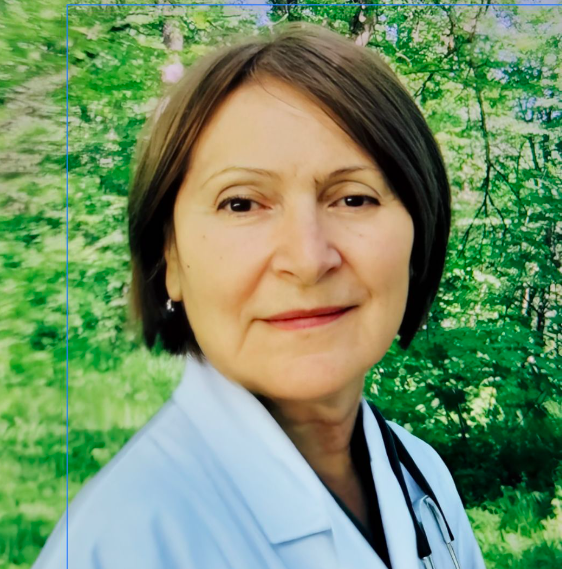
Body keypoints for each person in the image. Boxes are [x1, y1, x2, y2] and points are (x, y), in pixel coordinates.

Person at [33, 22, 487, 569]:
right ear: (169, 258)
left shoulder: (422, 476)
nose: (308, 259)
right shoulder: (124, 543)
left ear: (419, 233)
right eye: (241, 203)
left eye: (353, 199)